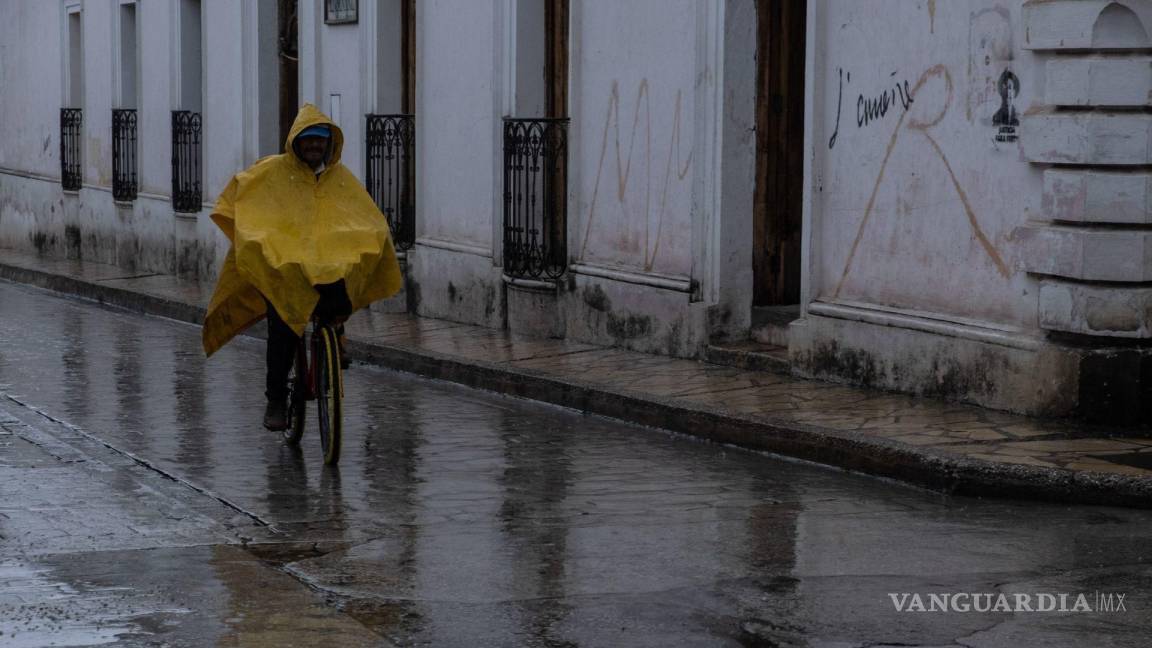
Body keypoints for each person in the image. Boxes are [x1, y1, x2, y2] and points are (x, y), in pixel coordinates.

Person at [201, 104, 402, 430]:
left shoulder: (340, 180)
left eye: (319, 140)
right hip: (284, 271)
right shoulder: (271, 172)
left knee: (339, 300)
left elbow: (363, 217)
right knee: (282, 329)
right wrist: (262, 243)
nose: (313, 146)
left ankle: (335, 340)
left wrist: (370, 238)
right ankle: (276, 399)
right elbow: (245, 201)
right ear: (296, 142)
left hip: (327, 267)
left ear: (328, 143)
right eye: (307, 140)